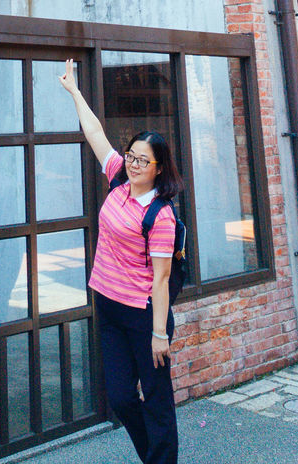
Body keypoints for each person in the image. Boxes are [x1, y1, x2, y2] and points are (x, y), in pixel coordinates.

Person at [59, 58, 181, 464]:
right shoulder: (118, 180)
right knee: (121, 396)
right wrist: (74, 92)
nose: (133, 163)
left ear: (158, 167)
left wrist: (159, 334)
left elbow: (161, 280)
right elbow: (94, 132)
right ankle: (154, 457)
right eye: (131, 155)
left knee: (158, 401)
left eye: (143, 160)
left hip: (145, 315)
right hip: (109, 306)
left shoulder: (160, 215)